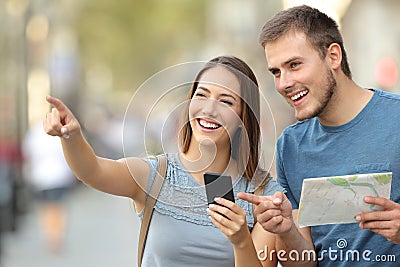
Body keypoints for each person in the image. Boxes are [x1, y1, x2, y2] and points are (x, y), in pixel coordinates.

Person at [44, 55, 285, 266]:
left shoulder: (261, 195)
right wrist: (72, 136)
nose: (209, 109)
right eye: (201, 95)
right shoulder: (156, 174)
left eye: (226, 101)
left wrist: (241, 241)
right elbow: (92, 171)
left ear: (245, 115)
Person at [239, 4, 400, 266]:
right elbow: (304, 262)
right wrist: (285, 229)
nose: (283, 83)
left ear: (333, 56)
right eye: (276, 72)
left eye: (294, 65)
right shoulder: (291, 146)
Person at [23, 121, 75, 253]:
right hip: (58, 176)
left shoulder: (35, 133)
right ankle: (56, 236)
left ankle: (51, 235)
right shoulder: (60, 132)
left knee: (46, 208)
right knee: (57, 207)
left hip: (41, 176)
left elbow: (28, 154)